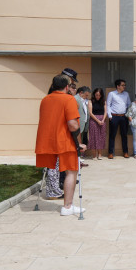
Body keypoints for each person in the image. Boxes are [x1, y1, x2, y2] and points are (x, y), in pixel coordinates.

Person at [35, 74, 86, 216]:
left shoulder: (45, 99)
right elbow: (72, 125)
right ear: (66, 86)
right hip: (64, 141)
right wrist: (79, 142)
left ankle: (64, 201)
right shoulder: (69, 99)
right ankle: (68, 206)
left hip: (47, 141)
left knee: (53, 169)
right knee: (71, 171)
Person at [44, 68, 78, 200]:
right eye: (71, 82)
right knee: (54, 164)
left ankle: (61, 184)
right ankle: (53, 189)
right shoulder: (56, 92)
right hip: (57, 131)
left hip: (59, 130)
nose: (72, 84)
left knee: (59, 165)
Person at [106, 79, 131, 159]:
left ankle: (125, 152)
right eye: (123, 85)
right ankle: (110, 153)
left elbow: (129, 105)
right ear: (118, 86)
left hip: (123, 116)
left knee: (124, 135)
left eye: (124, 85)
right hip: (114, 116)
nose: (124, 86)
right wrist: (110, 116)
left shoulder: (126, 94)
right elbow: (108, 105)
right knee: (112, 135)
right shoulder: (112, 94)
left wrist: (127, 114)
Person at [87, 88, 107, 160]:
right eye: (96, 95)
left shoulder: (103, 101)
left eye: (99, 95)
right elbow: (90, 113)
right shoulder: (90, 101)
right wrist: (98, 120)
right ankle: (94, 155)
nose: (98, 96)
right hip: (94, 120)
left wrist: (103, 119)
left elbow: (105, 112)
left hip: (102, 120)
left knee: (101, 137)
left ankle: (100, 154)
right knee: (93, 137)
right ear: (94, 94)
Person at [74, 86, 91, 167]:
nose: (87, 97)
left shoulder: (83, 100)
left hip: (82, 125)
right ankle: (77, 161)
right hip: (77, 125)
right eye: (86, 95)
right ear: (81, 93)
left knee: (80, 143)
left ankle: (79, 161)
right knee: (77, 143)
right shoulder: (75, 99)